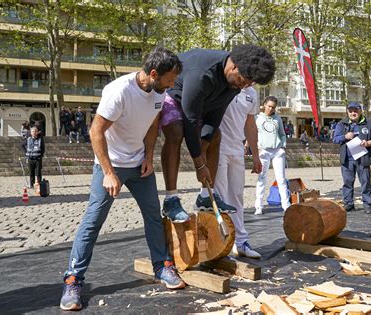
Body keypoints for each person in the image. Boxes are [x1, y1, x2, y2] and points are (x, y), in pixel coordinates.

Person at [60, 48, 184, 311]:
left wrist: (148, 156)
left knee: (153, 216)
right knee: (93, 221)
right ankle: (73, 280)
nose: (173, 85)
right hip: (111, 165)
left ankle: (162, 267)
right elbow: (95, 131)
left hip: (140, 165)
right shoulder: (119, 91)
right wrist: (108, 172)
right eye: (170, 79)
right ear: (153, 74)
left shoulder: (159, 93)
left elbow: (152, 124)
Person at [159, 44, 275, 222]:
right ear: (234, 66)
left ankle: (206, 195)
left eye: (250, 83)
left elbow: (215, 117)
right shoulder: (202, 74)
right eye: (244, 80)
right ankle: (171, 199)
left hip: (203, 102)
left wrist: (203, 151)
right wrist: (199, 164)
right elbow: (191, 122)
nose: (245, 86)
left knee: (215, 135)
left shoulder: (235, 82)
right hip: (174, 93)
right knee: (175, 132)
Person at [214, 87, 262, 258]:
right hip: (217, 147)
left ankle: (240, 241)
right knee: (219, 196)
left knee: (237, 195)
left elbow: (250, 125)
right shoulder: (224, 84)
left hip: (237, 149)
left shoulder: (252, 93)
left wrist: (255, 155)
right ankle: (220, 243)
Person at [333, 102, 371, 214]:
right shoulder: (342, 124)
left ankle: (367, 204)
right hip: (347, 160)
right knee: (347, 183)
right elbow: (335, 139)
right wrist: (345, 137)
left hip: (363, 158)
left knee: (365, 182)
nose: (353, 113)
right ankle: (349, 204)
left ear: (360, 111)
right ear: (347, 112)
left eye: (355, 110)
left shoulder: (369, 123)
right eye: (350, 111)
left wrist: (368, 142)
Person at [254, 96, 290, 214]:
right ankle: (258, 206)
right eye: (269, 106)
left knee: (281, 179)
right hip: (263, 151)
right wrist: (253, 148)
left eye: (273, 107)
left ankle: (286, 205)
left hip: (277, 151)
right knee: (261, 178)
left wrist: (283, 146)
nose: (270, 109)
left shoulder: (277, 119)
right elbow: (252, 133)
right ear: (264, 105)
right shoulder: (257, 118)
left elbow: (282, 134)